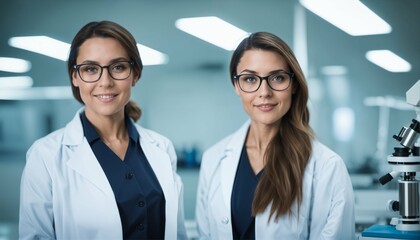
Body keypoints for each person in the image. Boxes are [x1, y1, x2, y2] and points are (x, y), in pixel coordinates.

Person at [19, 20, 187, 240]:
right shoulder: (45, 156)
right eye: (90, 69)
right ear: (75, 77)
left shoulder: (162, 147)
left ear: (135, 74)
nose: (105, 82)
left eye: (118, 67)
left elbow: (176, 232)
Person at [195, 32, 355, 239]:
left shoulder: (326, 166)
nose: (264, 92)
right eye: (250, 79)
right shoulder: (213, 159)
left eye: (278, 78)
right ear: (237, 86)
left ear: (294, 84)